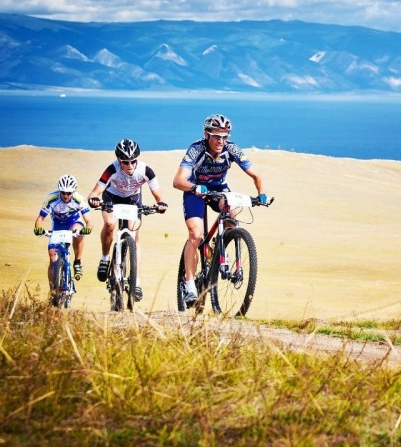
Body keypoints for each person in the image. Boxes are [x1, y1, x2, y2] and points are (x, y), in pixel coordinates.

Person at [173, 114, 268, 306]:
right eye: (216, 136)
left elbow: (256, 174)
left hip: (219, 188)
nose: (221, 141)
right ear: (207, 135)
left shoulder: (232, 149)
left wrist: (262, 194)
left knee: (232, 216)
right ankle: (189, 283)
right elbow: (178, 181)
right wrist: (193, 187)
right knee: (196, 234)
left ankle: (220, 248)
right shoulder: (196, 149)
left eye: (225, 136)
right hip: (195, 191)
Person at [87, 139, 168, 301]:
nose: (130, 166)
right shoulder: (111, 169)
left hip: (133, 199)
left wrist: (160, 204)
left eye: (133, 161)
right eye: (126, 162)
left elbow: (159, 196)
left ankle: (136, 281)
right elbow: (95, 192)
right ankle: (104, 259)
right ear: (119, 160)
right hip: (111, 197)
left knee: (134, 233)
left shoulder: (146, 171)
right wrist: (94, 199)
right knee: (110, 224)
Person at [33, 174, 93, 299]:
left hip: (73, 223)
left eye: (69, 193)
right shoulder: (51, 198)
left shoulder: (78, 199)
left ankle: (77, 261)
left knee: (79, 232)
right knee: (52, 257)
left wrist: (87, 228)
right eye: (63, 192)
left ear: (73, 192)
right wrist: (38, 228)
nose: (66, 196)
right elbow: (40, 218)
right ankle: (53, 291)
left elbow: (88, 220)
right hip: (57, 226)